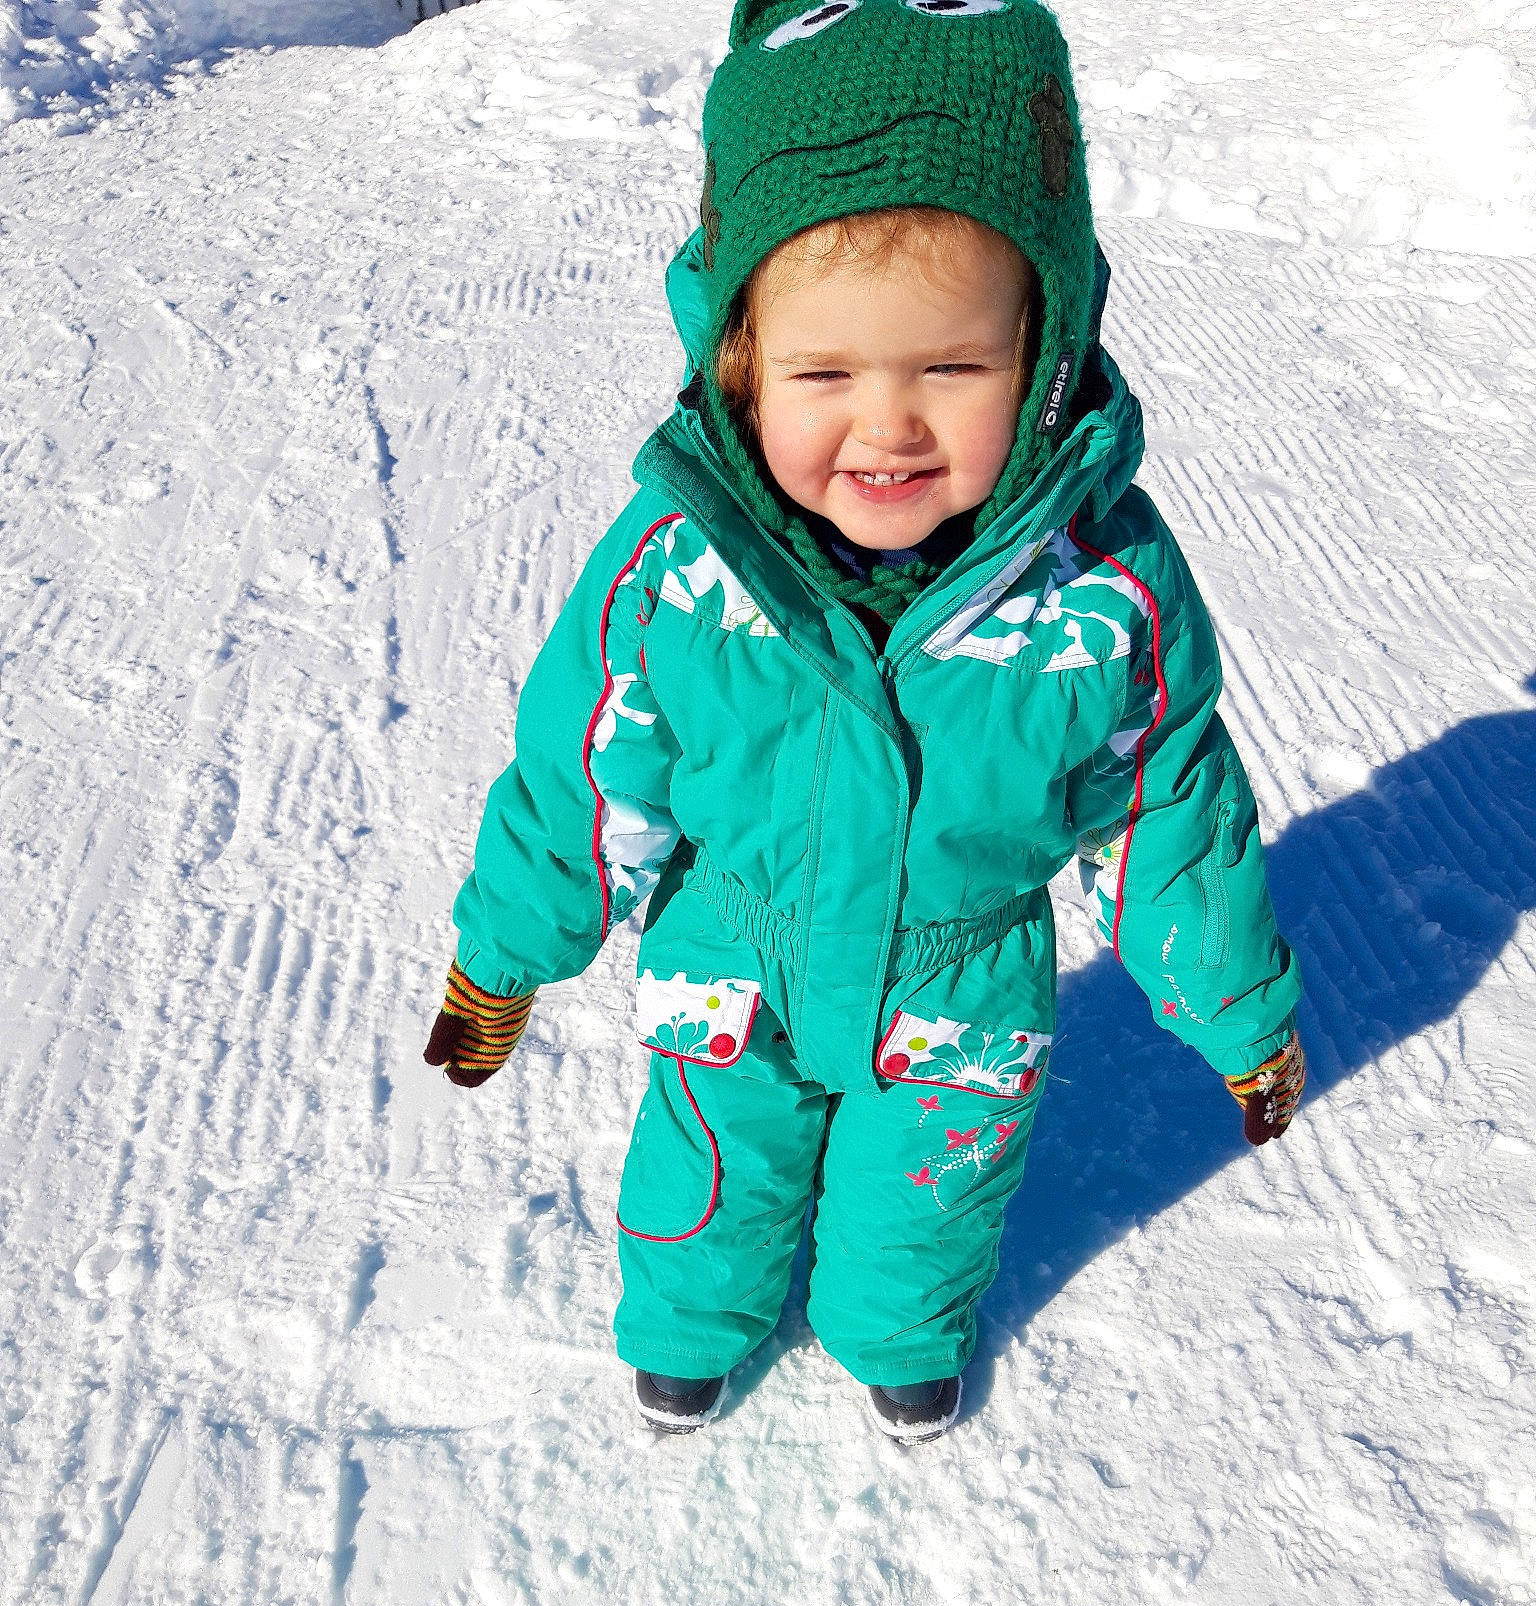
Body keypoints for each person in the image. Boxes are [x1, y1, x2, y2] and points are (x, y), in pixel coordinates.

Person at [424, 0, 1306, 1443]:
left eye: (950, 371)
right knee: (710, 1170)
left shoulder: (1103, 594)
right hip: (734, 959)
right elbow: (586, 771)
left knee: (933, 1196)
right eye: (825, 376)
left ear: (1047, 352)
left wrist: (1238, 1008)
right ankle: (689, 1328)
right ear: (738, 359)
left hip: (961, 987)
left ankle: (894, 1334)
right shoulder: (681, 569)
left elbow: (1169, 811)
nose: (886, 426)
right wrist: (504, 955)